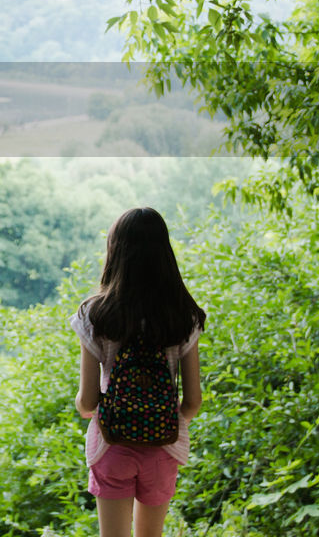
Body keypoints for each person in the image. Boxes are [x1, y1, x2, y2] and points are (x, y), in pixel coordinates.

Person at [70, 206, 206, 537]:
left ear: (115, 252)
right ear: (164, 254)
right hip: (162, 446)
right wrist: (160, 417)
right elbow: (193, 401)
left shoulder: (95, 315)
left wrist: (89, 409)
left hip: (111, 444)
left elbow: (88, 402)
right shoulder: (183, 317)